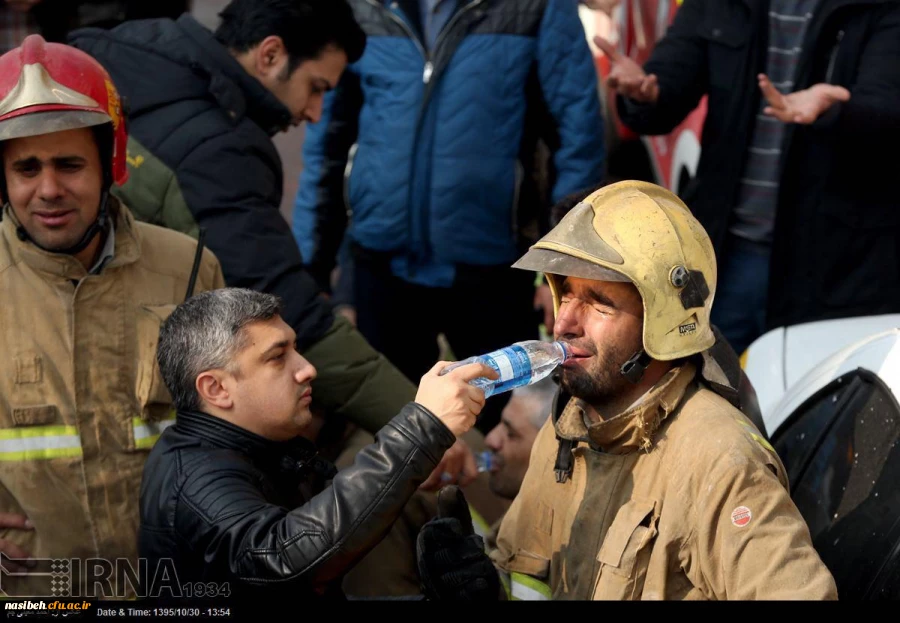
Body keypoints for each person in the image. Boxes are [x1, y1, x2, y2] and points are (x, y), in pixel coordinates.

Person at [68, 0, 477, 485]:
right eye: (314, 88)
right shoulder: (221, 151)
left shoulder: (125, 53)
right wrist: (421, 422)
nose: (314, 111)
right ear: (270, 55)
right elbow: (290, 307)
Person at [415, 180, 838, 600]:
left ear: (662, 325)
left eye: (599, 302)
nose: (564, 324)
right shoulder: (569, 427)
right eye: (566, 294)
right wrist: (485, 588)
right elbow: (529, 579)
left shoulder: (720, 462)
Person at [292, 0, 606, 431]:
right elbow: (325, 144)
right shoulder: (362, 7)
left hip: (492, 268)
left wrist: (563, 271)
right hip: (381, 264)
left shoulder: (536, 7)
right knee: (392, 426)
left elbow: (580, 139)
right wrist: (311, 267)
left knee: (503, 428)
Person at [0, 35, 223, 597]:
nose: (48, 190)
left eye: (69, 164)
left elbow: (240, 426)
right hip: (35, 590)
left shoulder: (189, 268)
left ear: (110, 162)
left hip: (171, 586)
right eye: (26, 168)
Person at [139, 288, 496, 600]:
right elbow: (283, 558)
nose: (307, 368)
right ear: (215, 389)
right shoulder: (195, 477)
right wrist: (422, 428)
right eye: (278, 357)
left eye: (296, 348)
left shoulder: (267, 450)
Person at [597, 0, 900, 355]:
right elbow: (671, 82)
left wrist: (838, 109)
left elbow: (887, 109)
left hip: (837, 267)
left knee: (810, 401)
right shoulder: (722, 6)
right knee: (708, 394)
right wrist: (645, 93)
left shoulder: (880, 7)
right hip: (728, 256)